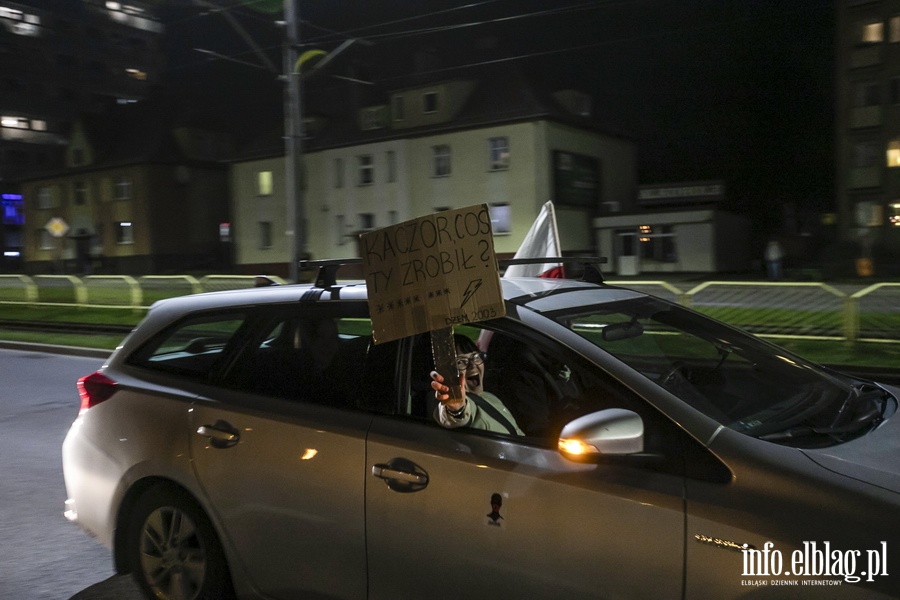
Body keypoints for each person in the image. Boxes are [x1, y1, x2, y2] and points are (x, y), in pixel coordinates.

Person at [431, 334, 524, 435]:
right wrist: (456, 409)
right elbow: (454, 416)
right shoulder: (463, 404)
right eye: (461, 361)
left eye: (475, 357)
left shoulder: (490, 397)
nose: (473, 365)